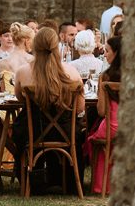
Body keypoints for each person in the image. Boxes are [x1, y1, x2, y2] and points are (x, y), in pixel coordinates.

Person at [13, 27, 85, 192]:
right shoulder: (72, 72)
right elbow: (80, 108)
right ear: (56, 46)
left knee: (18, 130)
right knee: (79, 129)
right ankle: (67, 180)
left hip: (34, 130)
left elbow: (20, 99)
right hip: (66, 131)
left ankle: (29, 179)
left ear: (35, 46)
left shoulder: (23, 72)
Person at [85, 35, 122, 193]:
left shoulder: (105, 77)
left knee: (93, 135)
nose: (104, 54)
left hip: (112, 127)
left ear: (117, 53)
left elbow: (101, 111)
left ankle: (103, 185)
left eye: (107, 51)